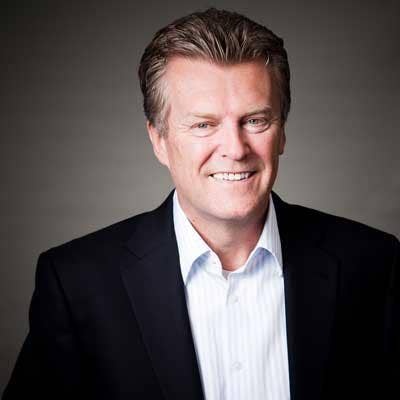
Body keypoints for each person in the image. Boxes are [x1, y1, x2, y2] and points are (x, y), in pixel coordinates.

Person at [3, 8, 399, 400]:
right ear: (158, 140)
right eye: (203, 125)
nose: (235, 149)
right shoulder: (76, 283)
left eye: (255, 120)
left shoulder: (374, 264)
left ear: (281, 133)